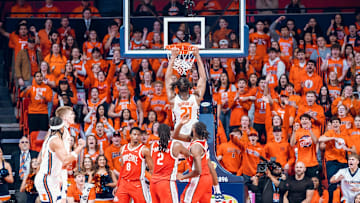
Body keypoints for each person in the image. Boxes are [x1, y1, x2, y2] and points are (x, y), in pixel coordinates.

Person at [34, 117, 85, 203]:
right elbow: (65, 160)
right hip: (47, 178)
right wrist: (80, 147)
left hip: (52, 178)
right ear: (61, 128)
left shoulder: (50, 138)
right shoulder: (56, 141)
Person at [173, 117, 223, 203]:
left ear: (194, 130)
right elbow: (175, 135)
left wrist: (183, 177)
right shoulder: (201, 141)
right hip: (207, 179)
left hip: (198, 179)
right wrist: (181, 123)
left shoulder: (196, 147)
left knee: (185, 200)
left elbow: (198, 171)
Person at [165, 46, 206, 136]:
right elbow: (203, 78)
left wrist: (173, 58)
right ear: (189, 87)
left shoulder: (173, 99)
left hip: (179, 135)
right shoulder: (196, 98)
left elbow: (167, 79)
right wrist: (197, 56)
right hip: (193, 135)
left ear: (177, 87)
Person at [150, 124, 190, 203]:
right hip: (166, 183)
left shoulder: (152, 145)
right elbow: (189, 155)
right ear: (170, 133)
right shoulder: (175, 145)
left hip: (153, 183)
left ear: (158, 133)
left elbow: (151, 164)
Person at [113, 127, 153, 203]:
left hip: (137, 183)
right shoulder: (123, 148)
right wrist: (118, 185)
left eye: (138, 135)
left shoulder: (144, 150)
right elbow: (122, 169)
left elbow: (152, 169)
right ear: (130, 135)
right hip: (124, 182)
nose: (136, 137)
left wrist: (154, 184)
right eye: (134, 134)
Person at [10, 136, 39, 203]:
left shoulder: (35, 154)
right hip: (20, 183)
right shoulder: (15, 155)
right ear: (19, 145)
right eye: (22, 142)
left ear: (29, 144)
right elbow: (11, 169)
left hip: (33, 183)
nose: (24, 144)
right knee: (21, 200)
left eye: (26, 142)